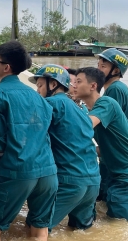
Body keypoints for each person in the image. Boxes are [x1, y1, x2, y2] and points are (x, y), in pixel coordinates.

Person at [0, 41, 58, 241]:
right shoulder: (38, 97)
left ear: (6, 67)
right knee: (40, 229)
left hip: (19, 170)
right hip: (48, 171)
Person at [29, 64, 100, 231]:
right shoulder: (78, 108)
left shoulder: (49, 103)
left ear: (53, 85)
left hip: (70, 181)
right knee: (80, 233)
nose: (38, 91)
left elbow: (28, 129)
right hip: (93, 181)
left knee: (37, 230)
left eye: (40, 85)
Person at [73, 67, 128, 221]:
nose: (74, 85)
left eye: (78, 82)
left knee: (119, 225)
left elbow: (83, 126)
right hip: (114, 172)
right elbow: (104, 147)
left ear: (93, 86)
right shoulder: (89, 111)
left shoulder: (107, 103)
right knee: (106, 217)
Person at [96, 49, 128, 201]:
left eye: (103, 66)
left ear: (116, 70)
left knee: (106, 200)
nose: (98, 70)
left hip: (115, 157)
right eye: (97, 65)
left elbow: (107, 123)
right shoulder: (115, 88)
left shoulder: (115, 89)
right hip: (112, 153)